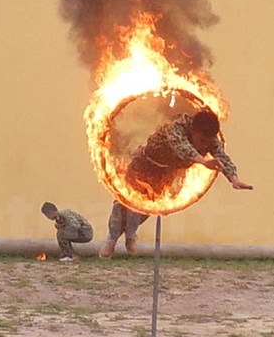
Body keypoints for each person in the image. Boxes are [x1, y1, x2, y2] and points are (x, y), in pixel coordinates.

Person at [99, 109, 253, 259]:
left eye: (207, 142)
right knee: (126, 202)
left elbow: (222, 158)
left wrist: (234, 179)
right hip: (145, 163)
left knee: (147, 207)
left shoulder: (210, 140)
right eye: (201, 141)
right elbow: (182, 148)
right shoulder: (177, 126)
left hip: (165, 174)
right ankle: (112, 239)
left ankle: (130, 233)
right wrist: (204, 161)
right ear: (193, 130)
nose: (203, 145)